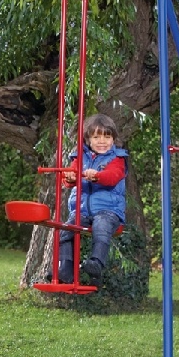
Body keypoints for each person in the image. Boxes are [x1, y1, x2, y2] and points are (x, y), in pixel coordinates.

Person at [56, 113, 128, 286]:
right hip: (82, 210)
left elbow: (112, 177)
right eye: (96, 137)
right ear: (88, 140)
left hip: (108, 211)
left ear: (113, 139)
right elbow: (68, 179)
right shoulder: (80, 158)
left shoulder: (117, 159)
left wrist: (97, 176)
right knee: (66, 231)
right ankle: (66, 267)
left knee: (101, 227)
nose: (102, 141)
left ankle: (96, 262)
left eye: (107, 137)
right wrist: (70, 178)